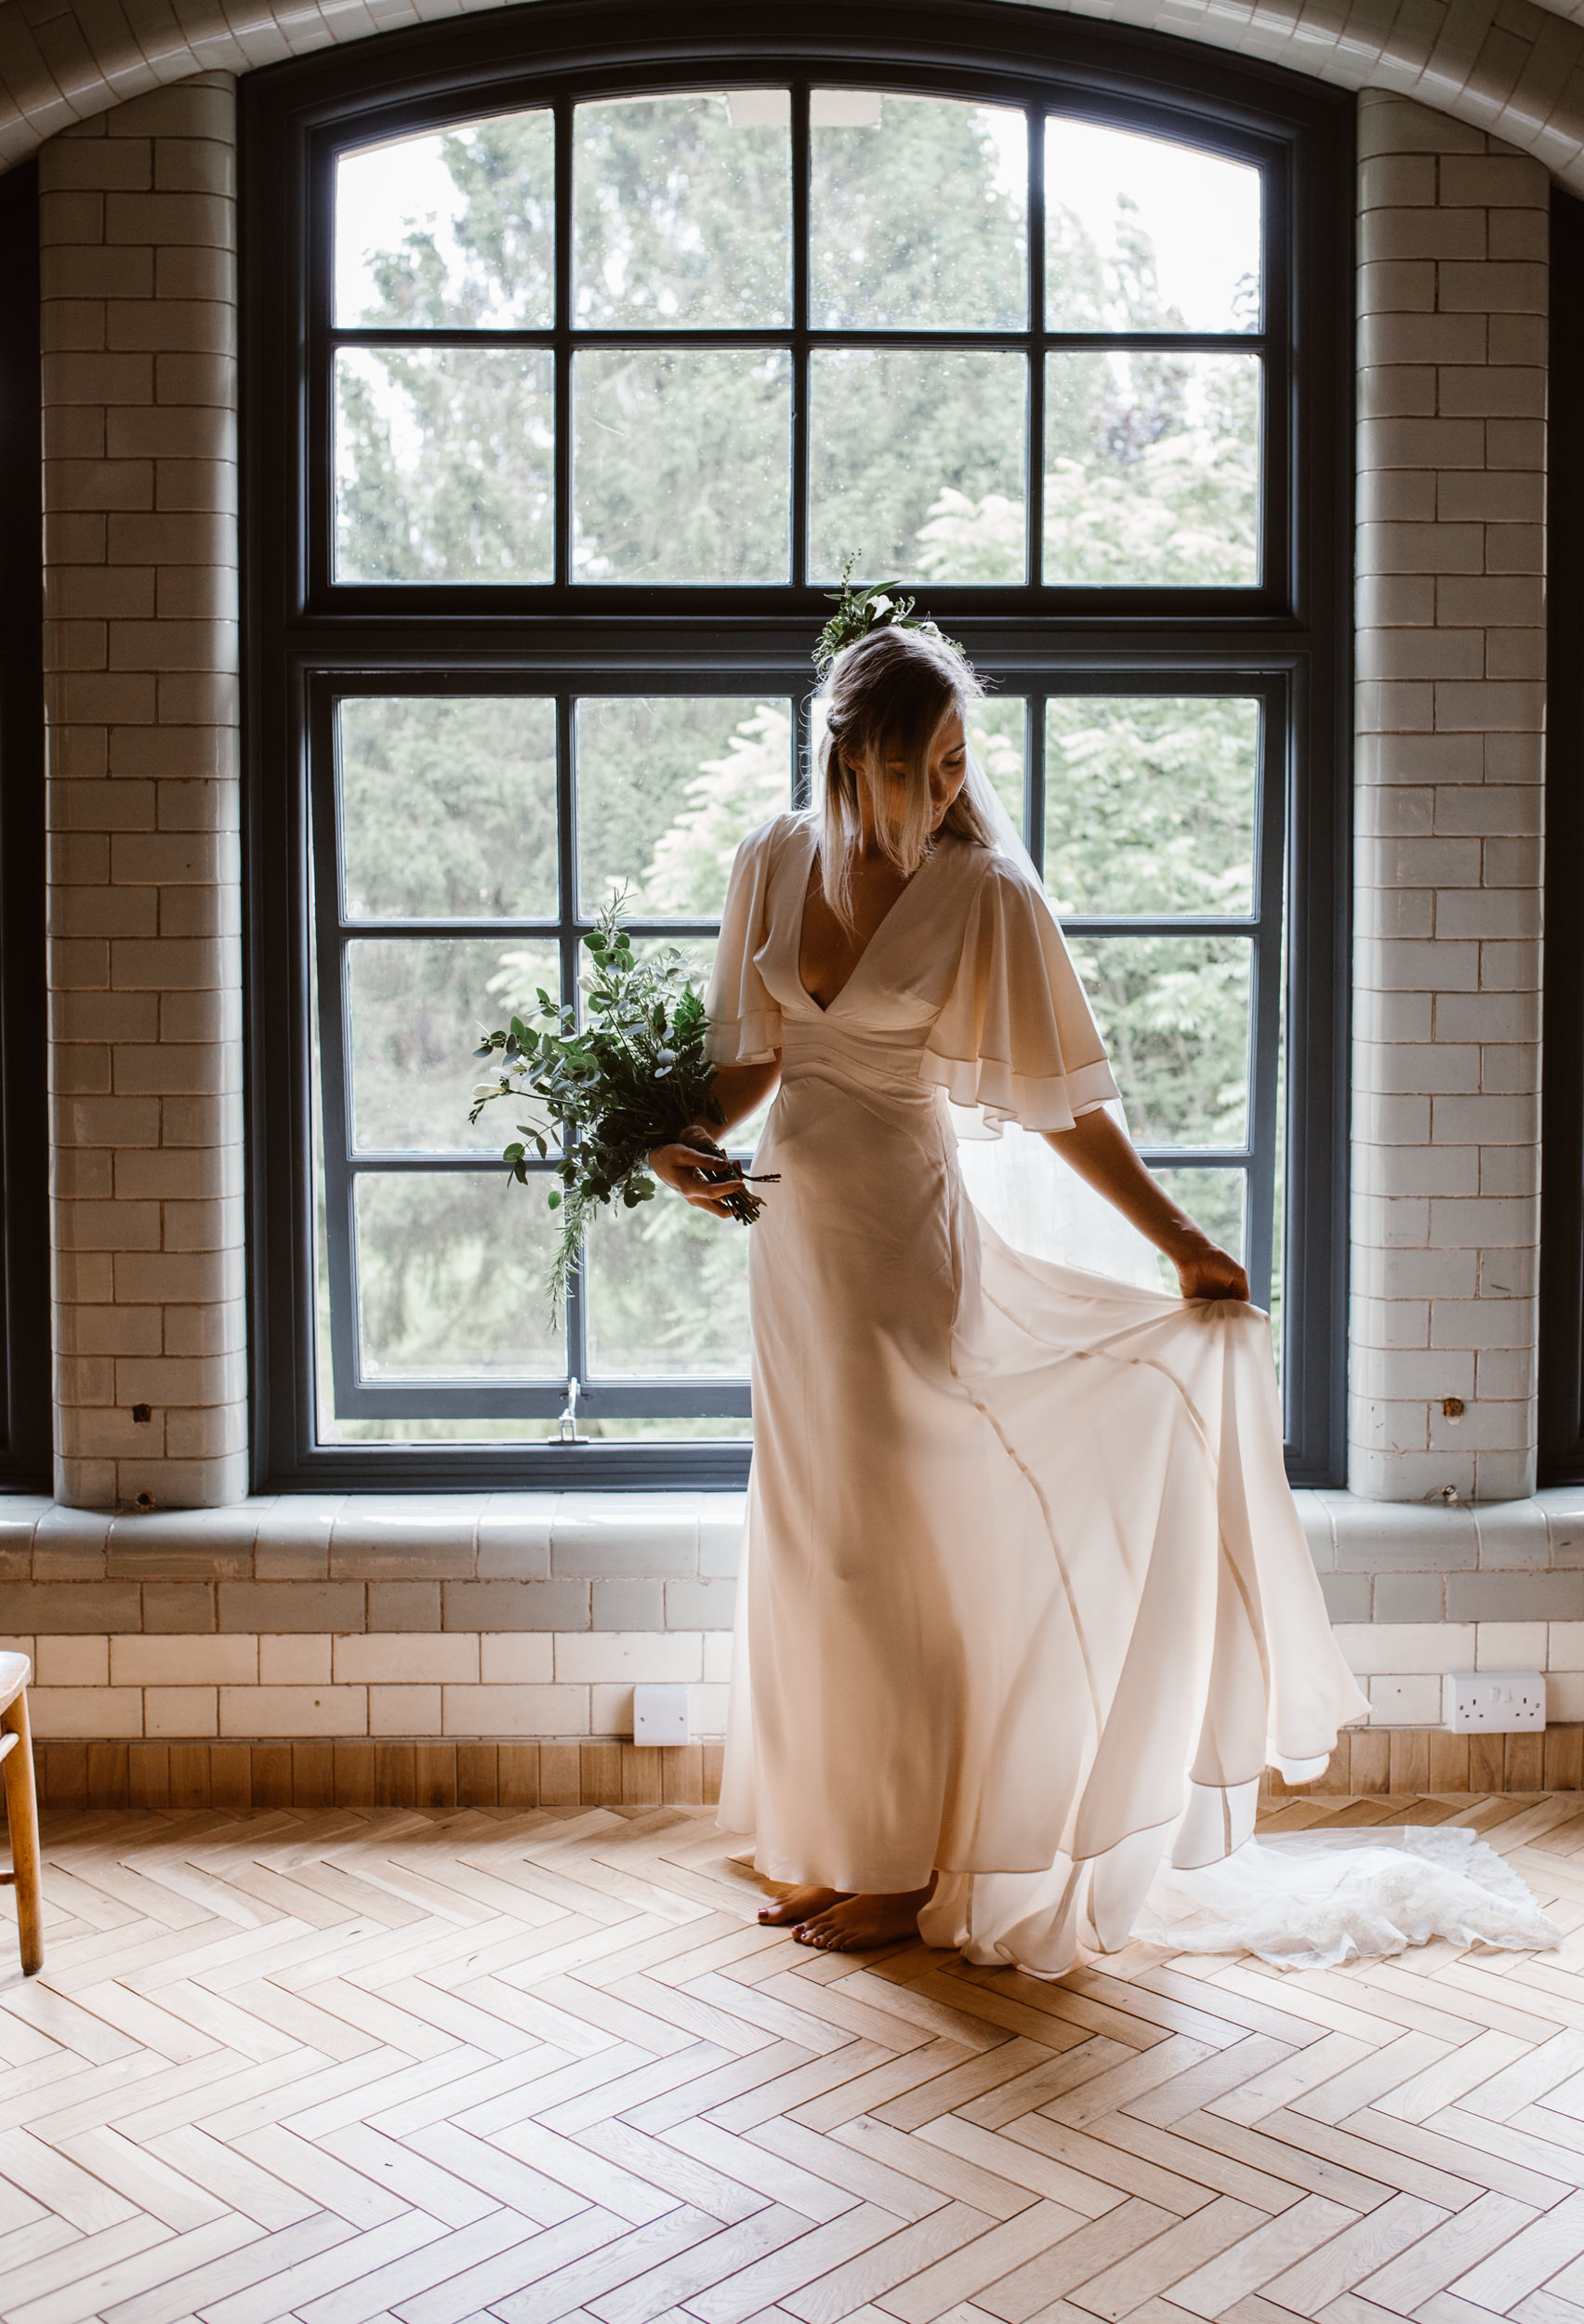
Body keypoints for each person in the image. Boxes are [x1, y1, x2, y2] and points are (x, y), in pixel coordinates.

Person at [644, 616, 1544, 1974]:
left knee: (894, 1549)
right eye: (921, 768)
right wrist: (668, 1144)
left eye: (959, 764)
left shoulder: (982, 894)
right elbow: (748, 1065)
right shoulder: (770, 860)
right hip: (791, 1244)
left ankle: (910, 1866)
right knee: (818, 1538)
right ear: (852, 758)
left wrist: (1182, 1239)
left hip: (902, 1243)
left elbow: (1065, 1105)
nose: (947, 791)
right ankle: (840, 1827)